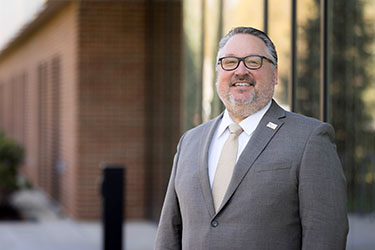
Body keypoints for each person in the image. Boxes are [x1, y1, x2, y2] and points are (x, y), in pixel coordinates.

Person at [154, 26, 348, 250]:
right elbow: (169, 232)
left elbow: (325, 237)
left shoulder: (310, 139)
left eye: (253, 61)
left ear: (274, 74)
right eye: (230, 62)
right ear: (219, 72)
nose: (240, 71)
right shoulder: (189, 141)